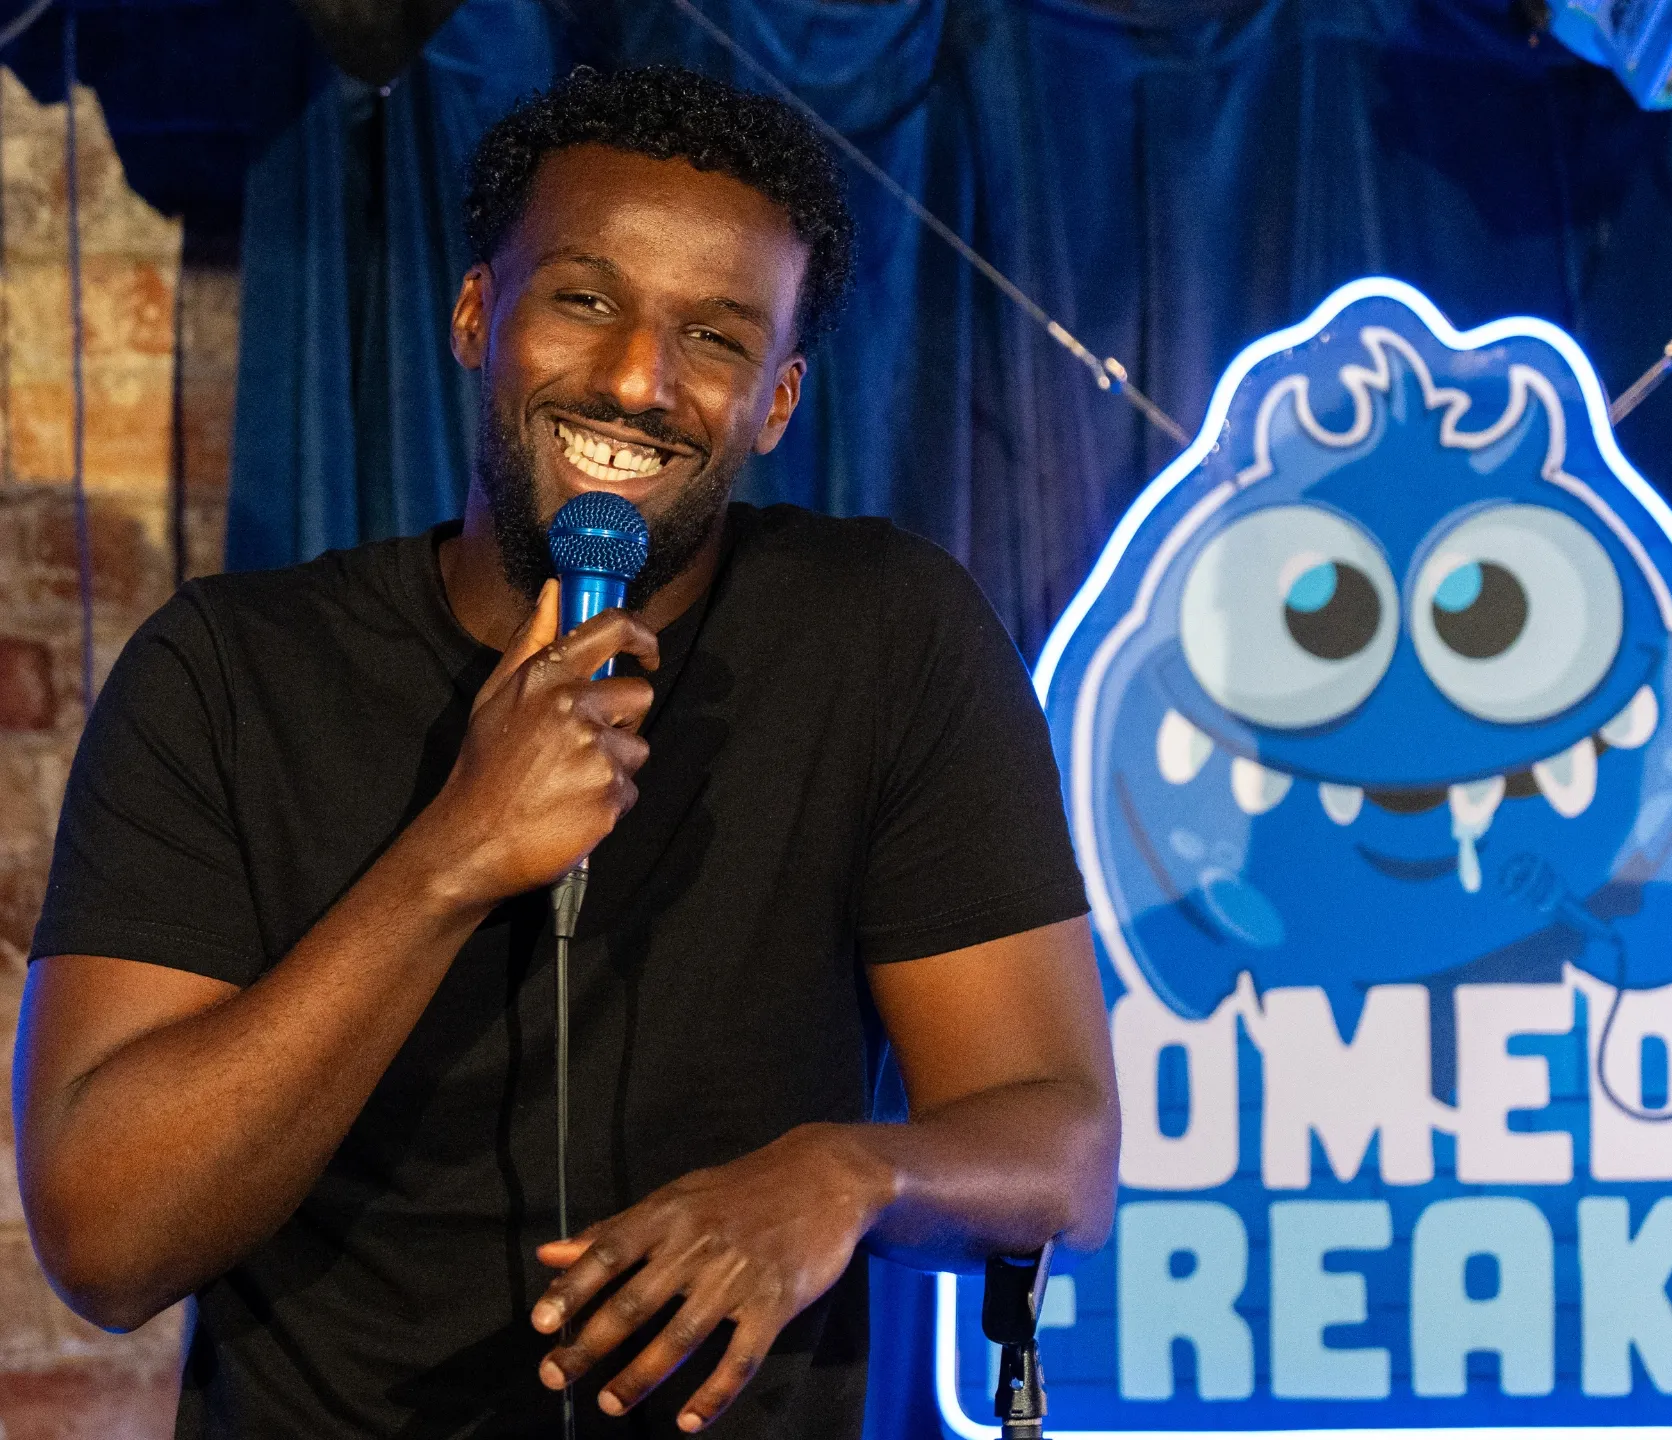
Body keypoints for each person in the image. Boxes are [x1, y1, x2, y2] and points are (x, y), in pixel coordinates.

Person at [15, 64, 1118, 1439]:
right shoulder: (232, 674)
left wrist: (846, 1174)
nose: (640, 380)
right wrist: (451, 857)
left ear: (776, 403)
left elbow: (1063, 1153)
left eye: (717, 339)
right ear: (480, 313)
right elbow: (108, 1242)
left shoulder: (884, 639)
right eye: (585, 300)